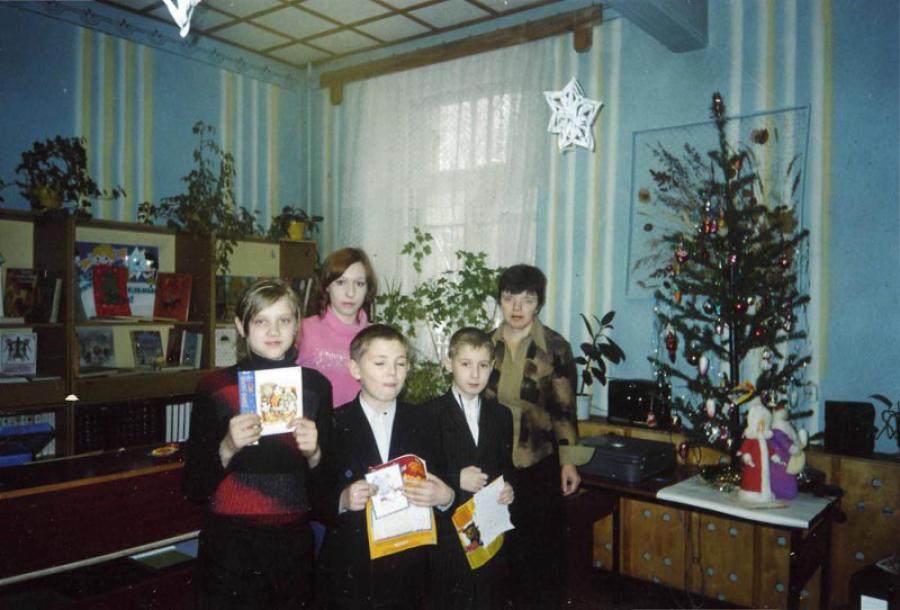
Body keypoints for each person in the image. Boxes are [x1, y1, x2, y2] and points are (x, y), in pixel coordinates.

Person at [183, 278, 333, 610]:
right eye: (261, 321)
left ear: (297, 325)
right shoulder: (214, 387)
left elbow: (325, 498)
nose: (273, 330)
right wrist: (227, 447)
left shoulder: (316, 388)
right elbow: (193, 487)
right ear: (241, 326)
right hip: (230, 548)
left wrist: (315, 454)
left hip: (292, 547)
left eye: (284, 320)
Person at [317, 324, 455, 609]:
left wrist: (445, 497)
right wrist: (342, 500)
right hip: (353, 568)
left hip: (411, 569)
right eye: (380, 363)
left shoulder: (425, 421)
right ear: (355, 369)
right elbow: (314, 493)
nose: (392, 372)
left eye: (400, 363)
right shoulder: (332, 423)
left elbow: (446, 484)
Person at [483, 264, 591, 609]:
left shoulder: (555, 347)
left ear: (539, 304)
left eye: (527, 300)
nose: (517, 308)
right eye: (509, 298)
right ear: (500, 301)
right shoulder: (486, 346)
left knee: (540, 559)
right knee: (498, 553)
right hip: (494, 463)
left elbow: (564, 408)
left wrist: (569, 462)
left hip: (538, 461)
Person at [425, 327, 515, 610]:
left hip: (489, 528)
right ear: (448, 362)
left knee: (487, 597)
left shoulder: (501, 415)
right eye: (466, 364)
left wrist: (509, 487)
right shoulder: (429, 413)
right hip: (449, 532)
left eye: (483, 365)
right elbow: (423, 474)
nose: (475, 374)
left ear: (493, 366)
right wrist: (456, 479)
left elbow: (506, 466)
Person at [296, 247, 377, 407]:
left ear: (368, 288)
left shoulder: (377, 337)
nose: (350, 293)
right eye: (341, 282)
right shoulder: (303, 330)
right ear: (327, 286)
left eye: (359, 283)